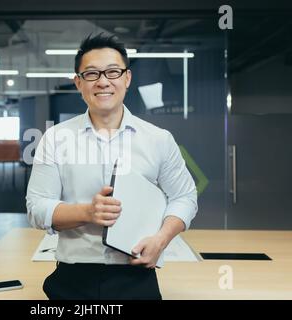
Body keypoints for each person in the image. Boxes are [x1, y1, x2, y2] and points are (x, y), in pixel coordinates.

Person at [26, 33, 198, 300]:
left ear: (127, 78)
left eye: (113, 72)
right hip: (72, 280)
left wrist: (161, 240)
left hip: (137, 276)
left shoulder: (158, 139)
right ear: (78, 83)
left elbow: (185, 196)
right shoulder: (55, 138)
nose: (103, 81)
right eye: (92, 74)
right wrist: (87, 212)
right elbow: (36, 207)